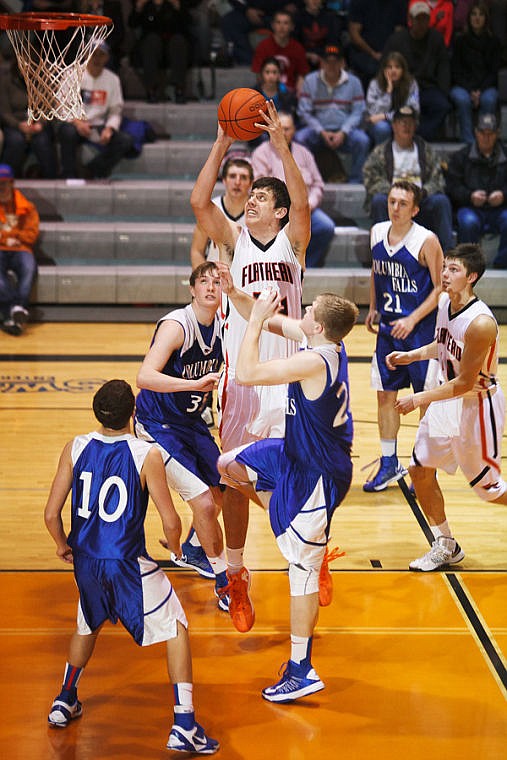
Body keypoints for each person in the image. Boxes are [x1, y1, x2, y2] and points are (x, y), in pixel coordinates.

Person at [43, 379, 218, 755]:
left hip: (86, 561)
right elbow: (171, 521)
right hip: (126, 562)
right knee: (175, 625)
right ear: (133, 414)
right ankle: (185, 724)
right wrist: (176, 551)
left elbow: (50, 513)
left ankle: (64, 699)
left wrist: (62, 545)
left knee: (87, 623)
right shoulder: (145, 454)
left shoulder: (75, 447)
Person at [190, 100, 310, 634]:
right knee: (235, 480)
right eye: (252, 196)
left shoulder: (293, 241)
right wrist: (221, 140)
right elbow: (198, 201)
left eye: (262, 197)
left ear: (279, 212)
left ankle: (310, 553)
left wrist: (281, 145)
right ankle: (236, 576)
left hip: (289, 376)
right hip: (242, 378)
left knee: (300, 477)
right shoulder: (234, 240)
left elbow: (302, 200)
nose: (252, 200)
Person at [216, 271, 357, 700]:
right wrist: (236, 295)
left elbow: (246, 372)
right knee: (229, 466)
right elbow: (266, 317)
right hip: (295, 456)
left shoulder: (314, 360)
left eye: (310, 309)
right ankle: (295, 529)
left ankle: (301, 669)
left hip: (318, 474)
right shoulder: (322, 339)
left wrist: (257, 321)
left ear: (317, 326)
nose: (305, 309)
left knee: (302, 575)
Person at [387, 243, 507, 570]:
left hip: (476, 407)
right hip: (447, 400)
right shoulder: (444, 301)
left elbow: (465, 382)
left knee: (489, 491)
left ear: (472, 277)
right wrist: (411, 355)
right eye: (445, 268)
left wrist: (418, 399)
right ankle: (446, 544)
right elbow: (443, 344)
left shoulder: (481, 324)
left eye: (454, 270)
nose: (445, 274)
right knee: (419, 469)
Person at [135, 263, 227, 606]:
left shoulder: (223, 326)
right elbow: (144, 376)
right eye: (204, 281)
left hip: (189, 422)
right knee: (203, 502)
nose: (211, 287)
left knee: (222, 492)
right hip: (156, 424)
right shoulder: (178, 325)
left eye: (217, 282)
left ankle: (192, 547)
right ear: (192, 289)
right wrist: (193, 385)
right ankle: (224, 585)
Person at [363, 180, 443, 492]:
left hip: (421, 333)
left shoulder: (426, 240)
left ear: (415, 209)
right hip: (388, 332)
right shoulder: (377, 232)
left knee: (424, 400)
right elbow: (376, 271)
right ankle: (388, 464)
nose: (395, 208)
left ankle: (424, 468)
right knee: (385, 395)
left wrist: (412, 318)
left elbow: (440, 288)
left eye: (402, 203)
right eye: (392, 201)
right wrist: (372, 306)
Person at [363, 105, 454, 253]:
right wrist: (396, 193)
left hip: (420, 202)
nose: (406, 126)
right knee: (378, 201)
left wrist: (422, 193)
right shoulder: (381, 151)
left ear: (415, 126)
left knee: (441, 201)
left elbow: (438, 180)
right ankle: (382, 255)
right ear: (393, 126)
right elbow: (371, 179)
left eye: (410, 123)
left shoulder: (425, 150)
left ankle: (446, 257)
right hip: (394, 201)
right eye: (402, 122)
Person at [251, 110, 335, 267]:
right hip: (275, 212)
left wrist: (308, 204)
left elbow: (318, 184)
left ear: (294, 130)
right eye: (279, 128)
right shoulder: (261, 153)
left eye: (287, 129)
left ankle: (304, 266)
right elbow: (259, 189)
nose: (282, 132)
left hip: (306, 209)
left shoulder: (304, 153)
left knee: (326, 227)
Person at [57, 42, 134, 179]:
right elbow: (61, 105)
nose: (97, 59)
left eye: (101, 55)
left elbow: (115, 110)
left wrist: (109, 129)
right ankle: (69, 173)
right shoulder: (72, 74)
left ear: (107, 58)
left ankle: (93, 170)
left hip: (98, 125)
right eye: (93, 54)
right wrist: (78, 123)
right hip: (75, 123)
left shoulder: (113, 79)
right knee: (67, 132)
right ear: (86, 55)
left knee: (125, 141)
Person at [296, 44, 369, 184]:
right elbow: (304, 112)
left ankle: (355, 181)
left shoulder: (354, 82)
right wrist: (321, 131)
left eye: (335, 61)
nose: (331, 65)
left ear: (342, 63)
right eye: (327, 61)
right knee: (300, 139)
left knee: (363, 141)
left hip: (345, 132)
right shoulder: (310, 81)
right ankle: (306, 180)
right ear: (321, 63)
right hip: (318, 131)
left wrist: (343, 132)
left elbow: (358, 112)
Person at [445, 113, 507, 269]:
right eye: (482, 133)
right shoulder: (461, 156)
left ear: (497, 134)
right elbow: (452, 186)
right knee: (468, 222)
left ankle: (502, 263)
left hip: (500, 209)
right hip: (470, 207)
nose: (486, 137)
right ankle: (469, 266)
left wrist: (504, 195)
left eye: (490, 133)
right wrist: (469, 196)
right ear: (475, 132)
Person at [383, 2, 451, 142]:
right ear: (410, 20)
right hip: (402, 89)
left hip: (428, 87)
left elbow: (444, 67)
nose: (421, 23)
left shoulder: (436, 39)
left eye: (425, 19)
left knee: (443, 105)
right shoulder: (396, 40)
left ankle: (418, 136)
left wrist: (443, 91)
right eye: (418, 19)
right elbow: (385, 66)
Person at [450, 2, 501, 145]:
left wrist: (479, 91)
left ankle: (485, 140)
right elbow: (456, 71)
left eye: (481, 14)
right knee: (462, 99)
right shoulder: (460, 40)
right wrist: (471, 90)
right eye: (473, 14)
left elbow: (493, 72)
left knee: (489, 99)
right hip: (463, 86)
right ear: (468, 18)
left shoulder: (494, 42)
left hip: (486, 86)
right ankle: (469, 141)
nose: (477, 18)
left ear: (486, 18)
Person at [190, 156, 253, 270]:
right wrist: (203, 280)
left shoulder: (258, 211)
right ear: (224, 180)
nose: (237, 182)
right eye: (232, 176)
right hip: (215, 279)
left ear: (251, 183)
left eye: (243, 177)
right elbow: (197, 251)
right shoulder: (210, 209)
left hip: (247, 280)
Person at [0, 59, 57, 179]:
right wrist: (19, 125)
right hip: (15, 124)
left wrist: (40, 123)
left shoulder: (44, 80)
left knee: (43, 142)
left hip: (38, 123)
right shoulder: (6, 81)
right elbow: (4, 112)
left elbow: (48, 108)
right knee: (16, 141)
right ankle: (5, 181)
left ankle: (52, 181)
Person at [0, 164, 39, 336]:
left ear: (12, 183)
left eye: (5, 183)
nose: (1, 187)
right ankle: (15, 309)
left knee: (29, 268)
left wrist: (13, 235)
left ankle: (13, 310)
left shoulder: (27, 207)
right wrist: (5, 238)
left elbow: (31, 235)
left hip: (21, 248)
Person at [128, 0, 193, 103]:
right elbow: (132, 24)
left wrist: (178, 7)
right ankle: (151, 89)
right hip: (150, 47)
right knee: (152, 40)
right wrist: (138, 8)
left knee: (178, 41)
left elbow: (188, 23)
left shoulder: (174, 3)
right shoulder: (146, 4)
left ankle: (179, 89)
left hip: (173, 46)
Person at [347, 0, 408, 91]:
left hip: (390, 52)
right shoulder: (359, 2)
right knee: (370, 69)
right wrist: (372, 53)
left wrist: (388, 54)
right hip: (364, 52)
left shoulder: (399, 2)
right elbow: (354, 34)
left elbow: (399, 33)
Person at [365, 51, 420, 146]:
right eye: (389, 67)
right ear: (384, 70)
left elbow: (412, 111)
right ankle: (382, 157)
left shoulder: (411, 84)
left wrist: (386, 116)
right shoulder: (375, 84)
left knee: (406, 124)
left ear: (403, 70)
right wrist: (388, 92)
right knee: (382, 128)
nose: (393, 70)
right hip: (380, 126)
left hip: (403, 122)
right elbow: (373, 113)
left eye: (397, 67)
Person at [251, 9, 310, 94]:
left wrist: (298, 94)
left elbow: (302, 75)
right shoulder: (263, 46)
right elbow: (258, 75)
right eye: (278, 23)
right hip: (268, 91)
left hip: (290, 93)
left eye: (286, 23)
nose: (281, 27)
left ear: (292, 27)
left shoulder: (298, 48)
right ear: (273, 25)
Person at [294, 0, 345, 71]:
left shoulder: (330, 17)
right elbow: (294, 44)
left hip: (326, 57)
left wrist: (324, 56)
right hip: (303, 57)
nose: (315, 1)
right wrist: (307, 55)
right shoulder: (297, 18)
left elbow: (334, 43)